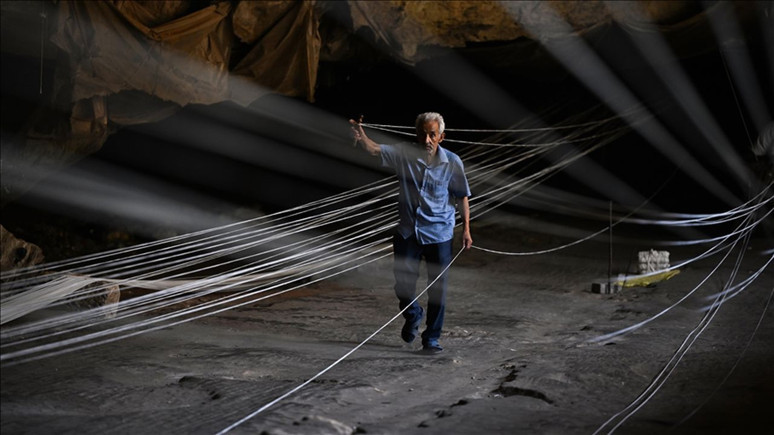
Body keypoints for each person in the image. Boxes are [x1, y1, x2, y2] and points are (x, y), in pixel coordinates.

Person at [350, 112, 472, 354]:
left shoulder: (453, 162)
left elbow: (462, 196)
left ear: (441, 137)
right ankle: (414, 313)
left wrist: (467, 228)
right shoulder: (405, 153)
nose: (427, 140)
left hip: (440, 233)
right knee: (403, 285)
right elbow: (375, 150)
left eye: (432, 135)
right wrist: (361, 135)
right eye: (422, 134)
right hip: (408, 231)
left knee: (438, 288)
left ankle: (432, 339)